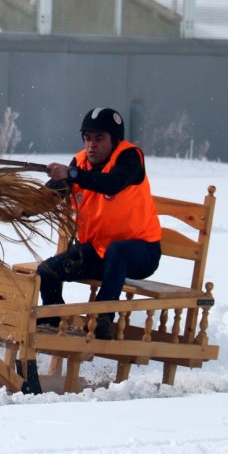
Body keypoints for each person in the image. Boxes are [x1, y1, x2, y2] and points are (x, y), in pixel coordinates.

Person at [37, 107, 162, 339]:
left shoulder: (130, 158)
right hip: (98, 252)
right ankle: (52, 324)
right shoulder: (80, 163)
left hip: (142, 253)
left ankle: (103, 318)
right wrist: (22, 206)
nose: (91, 145)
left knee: (118, 251)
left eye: (99, 138)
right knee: (45, 272)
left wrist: (71, 174)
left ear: (114, 140)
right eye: (87, 138)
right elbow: (54, 193)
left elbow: (112, 183)